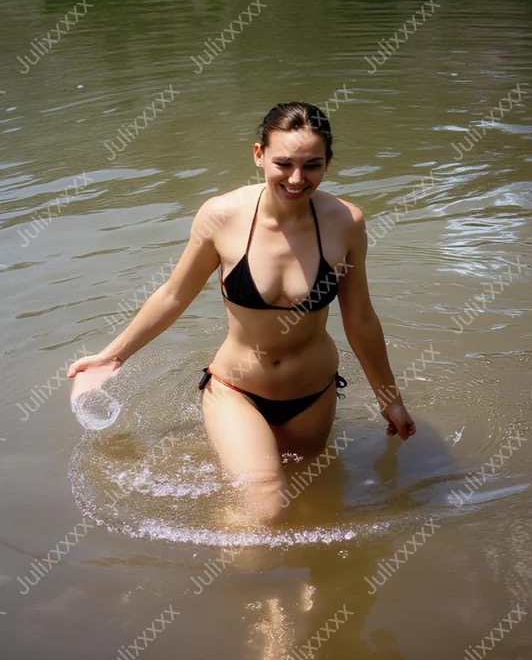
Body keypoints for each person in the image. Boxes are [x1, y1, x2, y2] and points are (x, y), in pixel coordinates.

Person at [68, 102, 416, 525]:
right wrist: (113, 355)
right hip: (238, 389)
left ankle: (288, 588)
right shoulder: (222, 217)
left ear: (327, 164)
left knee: (314, 502)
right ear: (259, 155)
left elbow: (360, 318)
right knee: (265, 503)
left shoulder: (346, 222)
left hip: (313, 395)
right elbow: (174, 296)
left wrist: (389, 400)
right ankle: (253, 590)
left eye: (312, 166)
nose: (295, 178)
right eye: (283, 163)